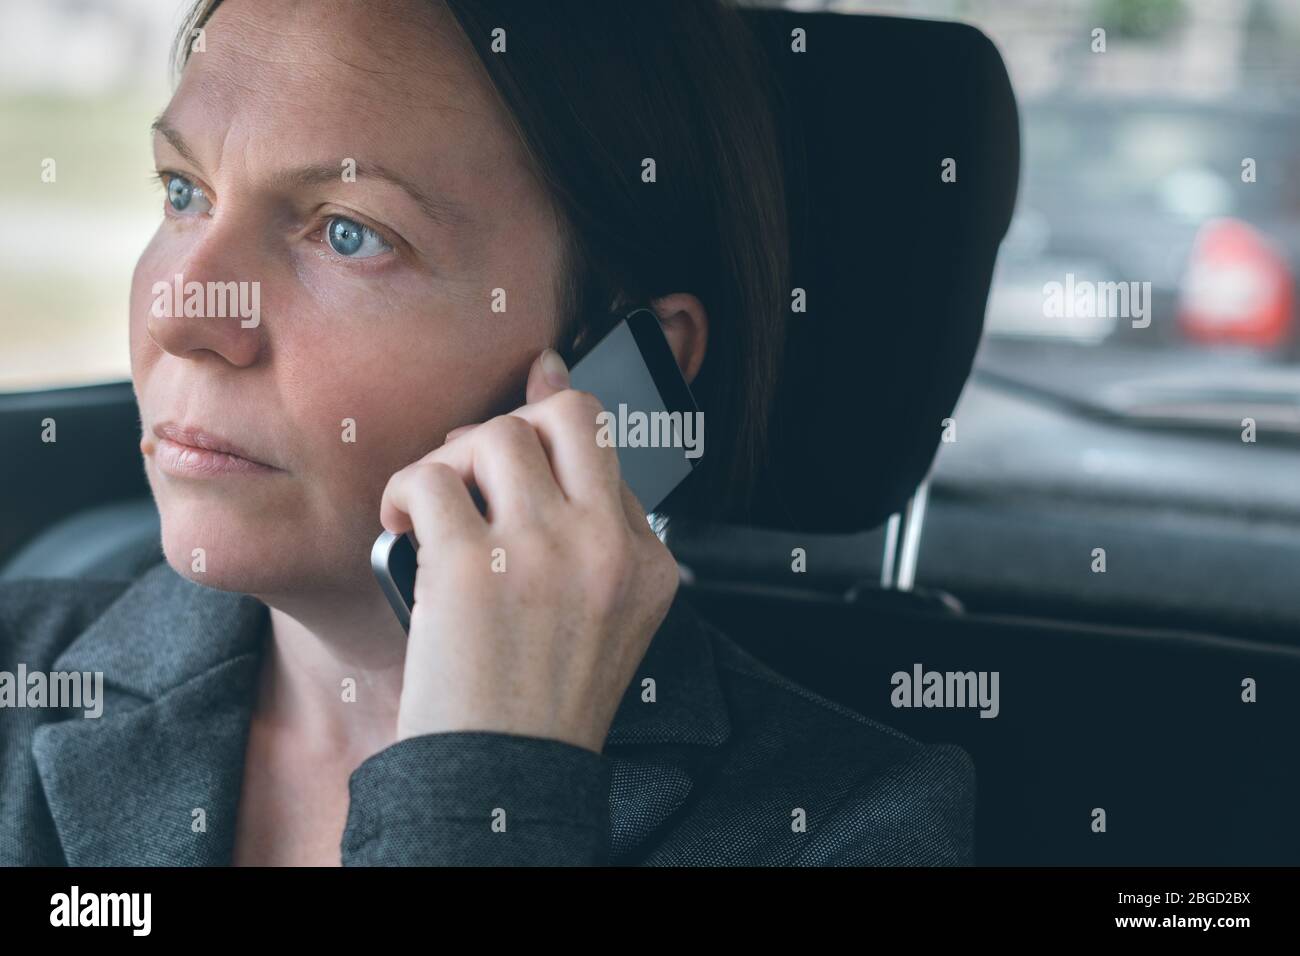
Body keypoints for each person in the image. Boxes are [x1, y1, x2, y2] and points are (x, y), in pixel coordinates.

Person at [0, 0, 974, 866]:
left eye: (349, 231)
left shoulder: (846, 827)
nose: (177, 311)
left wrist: (489, 788)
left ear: (618, 369)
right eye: (184, 191)